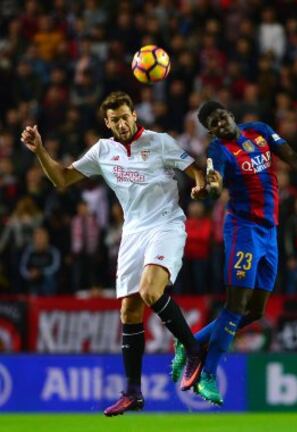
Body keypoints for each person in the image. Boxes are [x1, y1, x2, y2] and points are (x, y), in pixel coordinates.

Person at [21, 91, 207, 415]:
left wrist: (200, 183)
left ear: (134, 115)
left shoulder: (159, 142)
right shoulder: (102, 151)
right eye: (115, 119)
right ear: (107, 123)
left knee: (151, 290)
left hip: (165, 224)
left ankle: (193, 348)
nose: (121, 123)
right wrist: (39, 151)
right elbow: (62, 178)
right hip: (132, 232)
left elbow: (194, 168)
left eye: (126, 116)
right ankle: (133, 393)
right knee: (129, 313)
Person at [171, 100, 297, 405]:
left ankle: (192, 342)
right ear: (211, 132)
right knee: (235, 306)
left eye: (221, 118)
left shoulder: (259, 132)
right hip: (243, 231)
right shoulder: (218, 152)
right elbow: (216, 182)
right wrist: (209, 187)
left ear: (230, 115)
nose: (220, 125)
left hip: (270, 230)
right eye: (214, 126)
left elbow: (291, 156)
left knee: (256, 310)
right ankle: (206, 374)